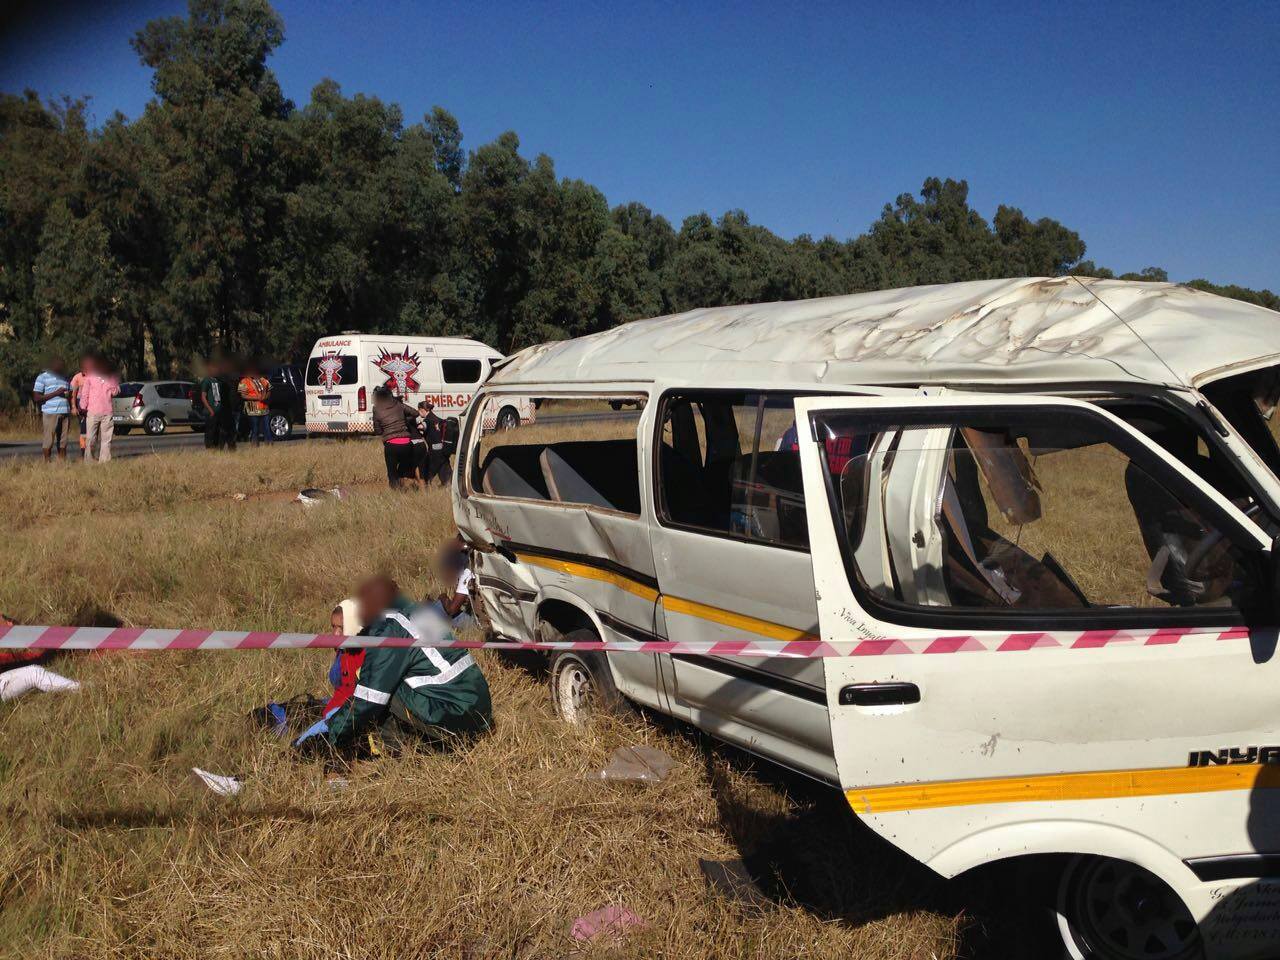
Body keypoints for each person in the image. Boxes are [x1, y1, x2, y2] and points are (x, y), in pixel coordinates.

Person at [295, 576, 492, 758]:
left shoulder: (389, 629)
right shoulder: (414, 611)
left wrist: (333, 738)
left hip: (456, 716)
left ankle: (400, 752)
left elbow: (368, 699)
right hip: (476, 708)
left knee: (383, 691)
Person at [371, 386, 420, 488]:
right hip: (407, 444)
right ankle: (408, 487)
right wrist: (404, 419)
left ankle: (396, 493)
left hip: (391, 445)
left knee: (392, 473)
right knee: (404, 470)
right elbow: (415, 413)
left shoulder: (376, 409)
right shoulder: (398, 404)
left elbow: (378, 431)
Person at [79, 354, 120, 463]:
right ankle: (89, 460)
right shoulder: (90, 377)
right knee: (91, 438)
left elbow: (115, 392)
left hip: (107, 412)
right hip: (92, 412)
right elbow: (85, 394)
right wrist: (82, 408)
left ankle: (104, 461)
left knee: (107, 439)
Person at [32, 356, 72, 462]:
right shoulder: (42, 377)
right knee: (49, 439)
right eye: (59, 365)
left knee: (63, 440)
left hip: (65, 412)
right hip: (50, 413)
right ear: (52, 365)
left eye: (62, 365)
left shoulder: (65, 377)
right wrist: (56, 393)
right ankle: (47, 462)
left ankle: (62, 463)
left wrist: (68, 397)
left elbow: (70, 393)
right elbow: (36, 397)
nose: (61, 367)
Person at [433, 535, 475, 628]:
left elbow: (452, 609)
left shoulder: (468, 572)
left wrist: (443, 598)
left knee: (436, 608)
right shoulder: (481, 562)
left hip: (479, 624)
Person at [199, 358, 236, 451]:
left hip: (220, 411)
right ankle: (209, 447)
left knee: (219, 431)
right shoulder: (207, 381)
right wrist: (210, 410)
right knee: (210, 430)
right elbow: (203, 397)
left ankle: (218, 447)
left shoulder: (219, 381)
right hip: (211, 411)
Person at [416, 399, 452, 487]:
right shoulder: (438, 419)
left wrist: (416, 426)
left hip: (434, 451)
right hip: (443, 449)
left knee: (427, 473)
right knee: (446, 474)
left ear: (423, 410)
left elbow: (422, 426)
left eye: (419, 411)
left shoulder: (428, 420)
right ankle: (449, 488)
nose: (418, 413)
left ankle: (425, 490)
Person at [238, 361, 273, 447]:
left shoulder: (263, 380)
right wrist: (256, 398)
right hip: (252, 410)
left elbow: (269, 390)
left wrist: (265, 397)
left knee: (267, 429)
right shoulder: (244, 381)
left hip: (264, 409)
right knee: (255, 429)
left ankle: (269, 445)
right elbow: (243, 395)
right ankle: (254, 445)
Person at [69, 356, 90, 453]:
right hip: (80, 402)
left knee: (91, 428)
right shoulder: (77, 377)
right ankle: (83, 450)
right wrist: (73, 407)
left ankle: (90, 449)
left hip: (92, 403)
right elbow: (73, 393)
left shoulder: (93, 376)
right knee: (83, 427)